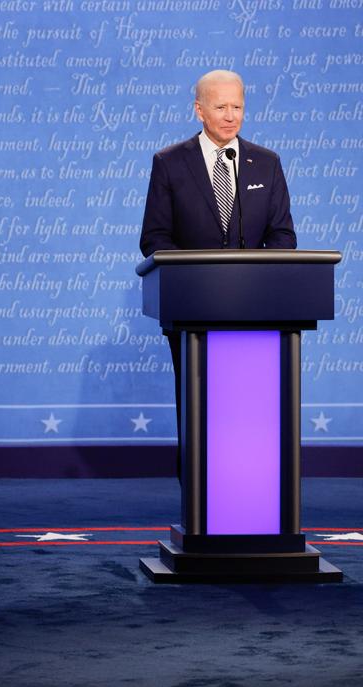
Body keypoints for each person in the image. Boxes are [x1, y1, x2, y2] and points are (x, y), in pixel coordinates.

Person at [138, 69, 297, 478]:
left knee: (250, 412)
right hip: (194, 314)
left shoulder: (266, 163)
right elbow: (155, 239)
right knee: (200, 408)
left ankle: (252, 488)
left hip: (257, 315)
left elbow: (282, 236)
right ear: (199, 110)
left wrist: (253, 280)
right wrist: (202, 281)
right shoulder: (170, 163)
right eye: (220, 106)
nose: (230, 115)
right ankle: (198, 498)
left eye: (237, 106)